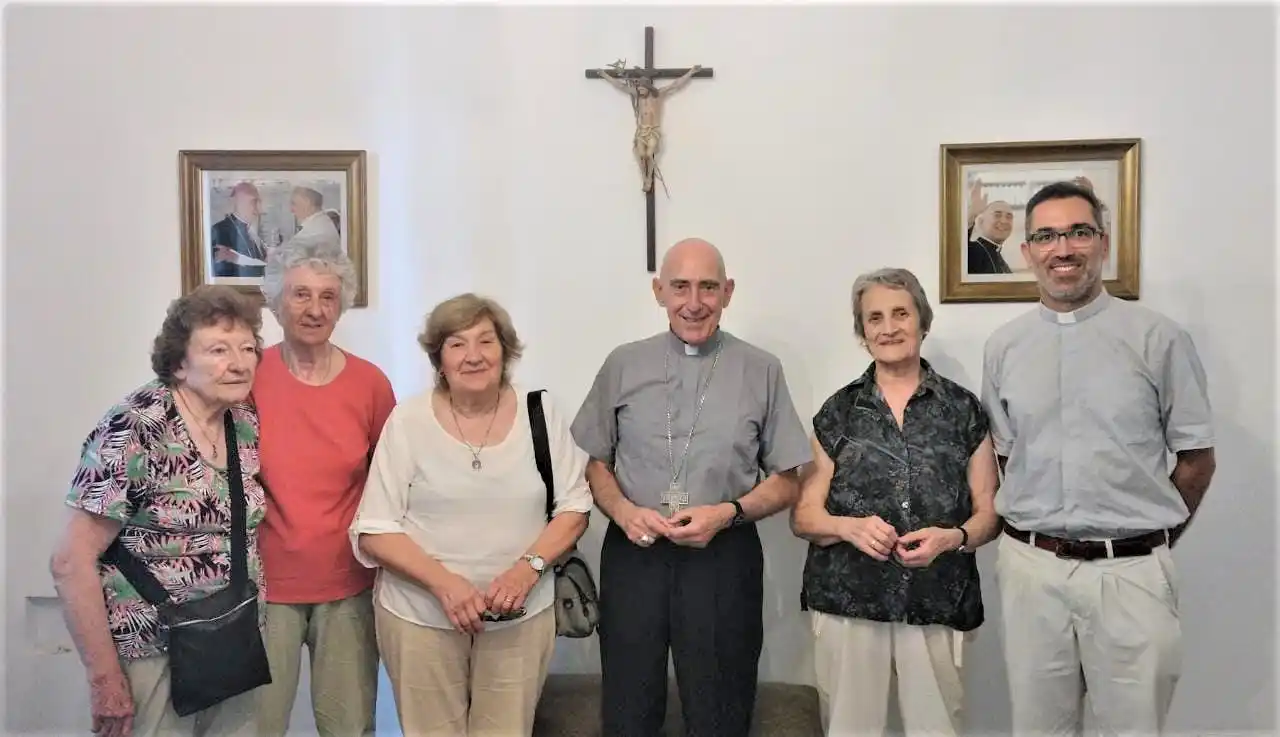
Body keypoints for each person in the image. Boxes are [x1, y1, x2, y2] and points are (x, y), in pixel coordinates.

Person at [982, 180, 1216, 736]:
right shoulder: (1004, 347)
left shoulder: (1158, 338)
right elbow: (1006, 458)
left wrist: (1144, 538)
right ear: (1027, 252)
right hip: (1032, 573)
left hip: (1131, 574)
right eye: (1046, 236)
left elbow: (1196, 460)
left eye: (1078, 232)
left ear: (1103, 243)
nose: (1063, 249)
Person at [571, 237, 813, 737]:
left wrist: (726, 512)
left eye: (707, 287)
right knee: (628, 703)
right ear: (659, 291)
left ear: (728, 292)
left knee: (721, 706)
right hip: (635, 551)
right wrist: (621, 510)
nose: (694, 302)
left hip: (723, 554)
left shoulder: (761, 369)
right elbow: (593, 461)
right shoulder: (623, 364)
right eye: (680, 287)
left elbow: (788, 479)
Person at [350, 293, 593, 737]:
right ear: (439, 358)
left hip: (520, 617)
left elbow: (574, 507)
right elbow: (375, 529)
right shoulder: (408, 421)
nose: (474, 356)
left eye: (486, 341)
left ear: (506, 350)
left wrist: (527, 569)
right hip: (420, 617)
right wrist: (447, 585)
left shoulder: (540, 413)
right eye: (457, 344)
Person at [49, 285, 266, 737]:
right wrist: (105, 681)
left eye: (248, 348)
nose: (240, 362)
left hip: (231, 637)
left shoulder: (242, 419)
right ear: (179, 364)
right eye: (219, 349)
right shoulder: (135, 424)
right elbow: (70, 562)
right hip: (151, 647)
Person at [791, 268, 999, 736]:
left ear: (922, 321)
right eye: (875, 318)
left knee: (937, 728)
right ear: (862, 333)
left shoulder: (963, 410)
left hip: (938, 597)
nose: (888, 328)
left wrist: (955, 537)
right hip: (849, 598)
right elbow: (804, 517)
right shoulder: (838, 411)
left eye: (900, 313)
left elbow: (989, 512)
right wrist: (848, 527)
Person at [252, 243, 397, 737]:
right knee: (256, 726)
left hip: (348, 584)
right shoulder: (246, 377)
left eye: (328, 297)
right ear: (275, 300)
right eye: (300, 294)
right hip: (263, 586)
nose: (315, 309)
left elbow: (391, 481)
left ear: (342, 305)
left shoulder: (370, 384)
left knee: (350, 726)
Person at [595, 65, 703, 193]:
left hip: (653, 130)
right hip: (642, 131)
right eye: (638, 90)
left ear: (647, 87)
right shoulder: (638, 95)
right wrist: (605, 75)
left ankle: (649, 177)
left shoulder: (658, 95)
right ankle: (645, 178)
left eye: (642, 89)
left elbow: (675, 84)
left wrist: (690, 72)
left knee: (649, 153)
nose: (640, 92)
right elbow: (621, 86)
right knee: (640, 154)